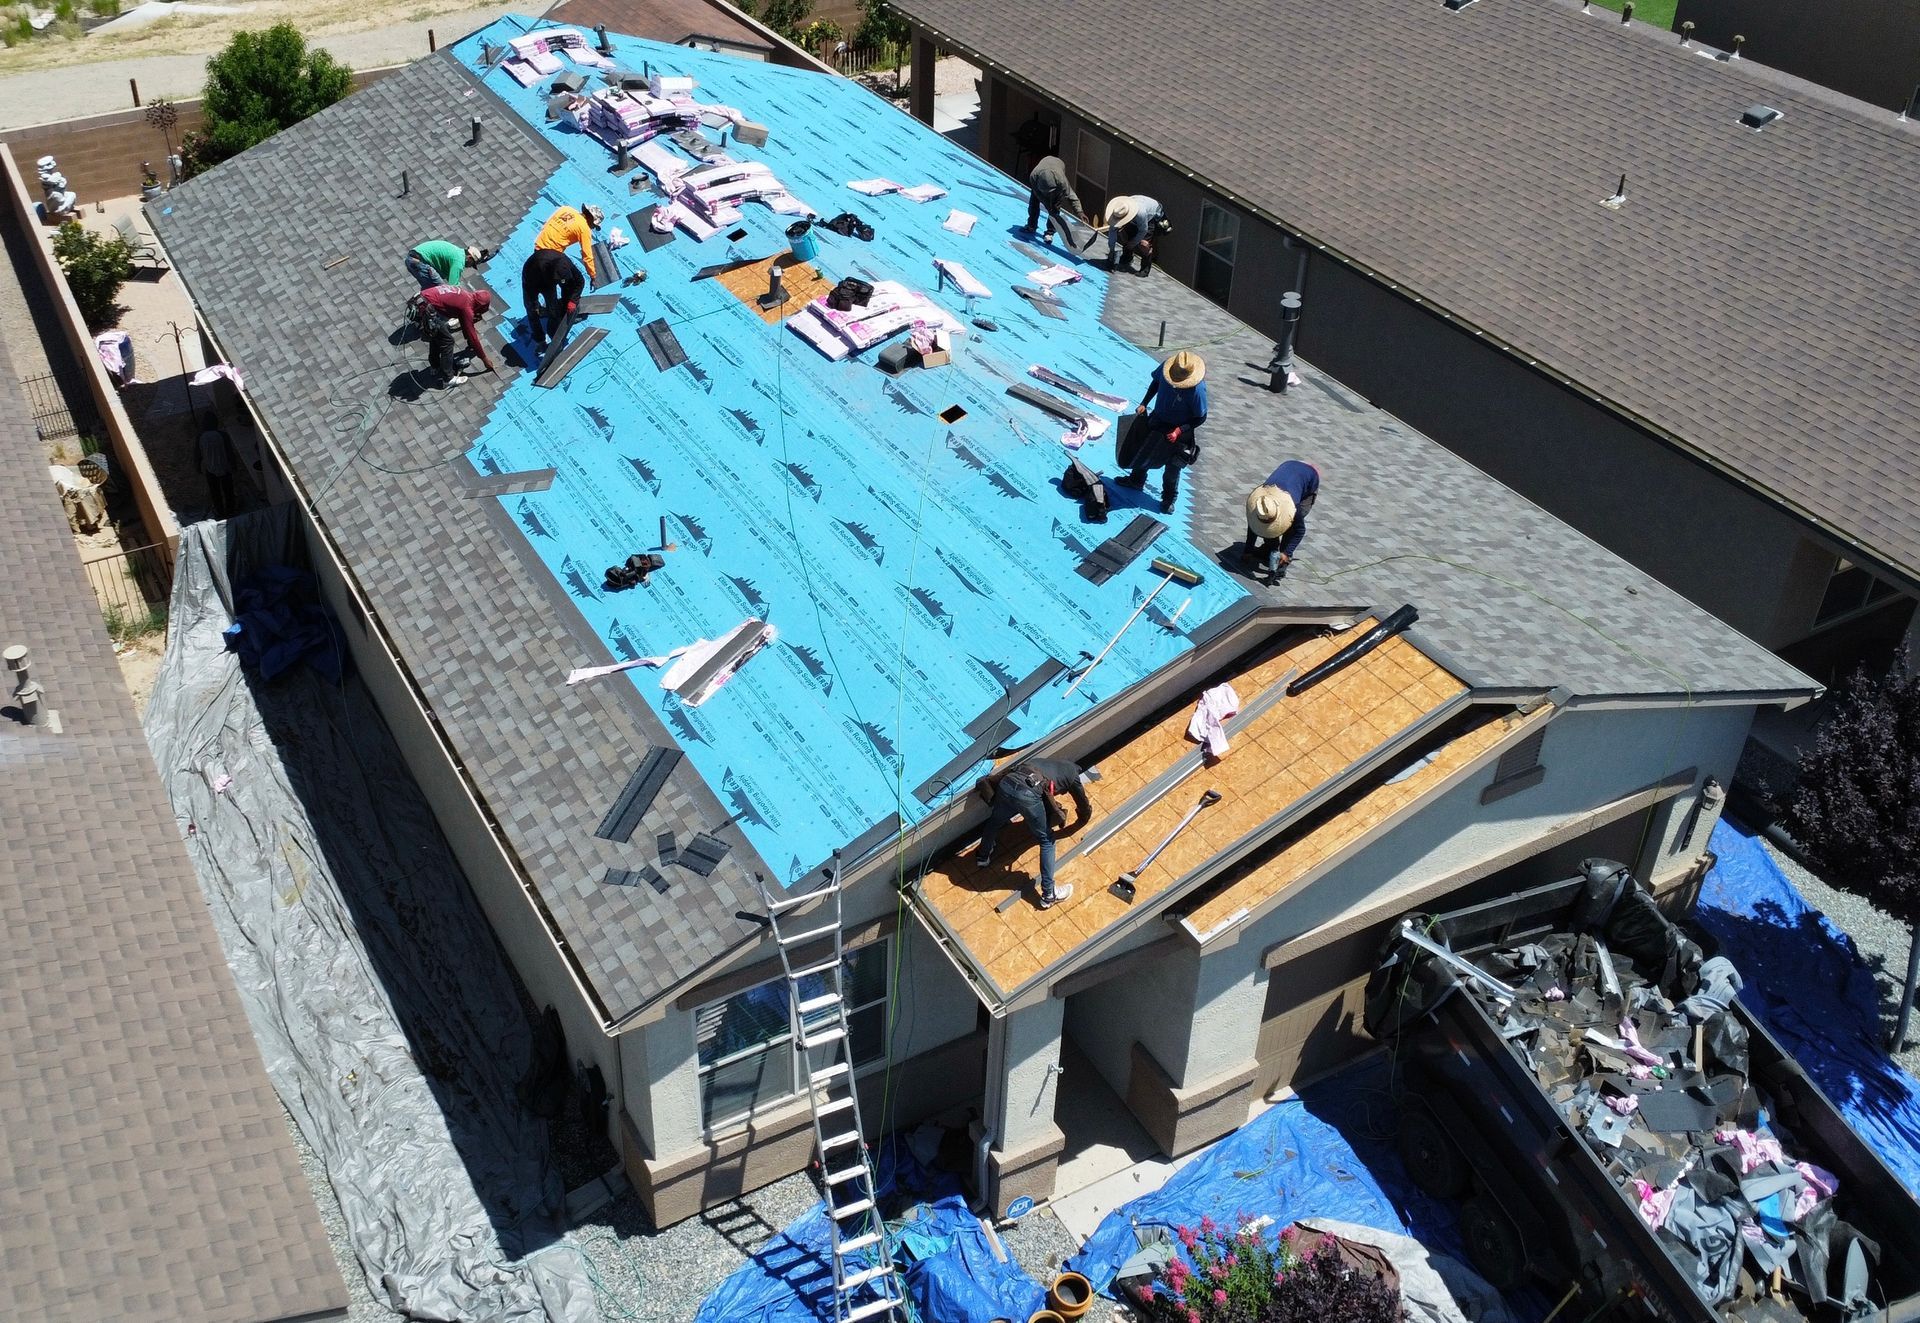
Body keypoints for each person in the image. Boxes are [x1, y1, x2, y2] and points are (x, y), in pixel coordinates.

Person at [973, 759, 1101, 909]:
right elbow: (1082, 803)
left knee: (995, 820)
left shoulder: (1046, 763)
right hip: (1027, 794)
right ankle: (1049, 894)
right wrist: (1085, 816)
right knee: (1047, 840)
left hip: (1007, 784)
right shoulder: (1073, 776)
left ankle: (983, 856)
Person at [1116, 350, 1208, 514]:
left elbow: (1200, 417)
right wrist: (1145, 402)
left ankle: (1168, 499)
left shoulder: (1197, 390)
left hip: (1179, 431)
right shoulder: (1167, 368)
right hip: (1158, 419)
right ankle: (1136, 481)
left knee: (1173, 467)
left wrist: (1179, 431)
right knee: (1143, 451)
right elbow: (1156, 383)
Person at [1242, 460, 1320, 582]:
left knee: (1291, 526)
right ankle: (1268, 549)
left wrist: (1286, 552)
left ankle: (1282, 565)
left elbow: (1300, 531)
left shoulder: (1294, 507)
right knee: (1266, 524)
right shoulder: (1261, 503)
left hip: (1309, 478)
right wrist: (1248, 550)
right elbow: (1254, 526)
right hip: (1288, 468)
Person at [418, 285, 495, 386]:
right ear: (479, 305)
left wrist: (470, 341)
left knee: (437, 335)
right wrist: (484, 359)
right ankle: (448, 378)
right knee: (447, 341)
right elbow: (473, 337)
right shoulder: (466, 308)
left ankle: (435, 366)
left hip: (420, 300)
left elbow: (465, 326)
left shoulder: (465, 295)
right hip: (426, 310)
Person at [520, 248, 585, 355]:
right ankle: (540, 340)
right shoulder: (534, 269)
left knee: (553, 307)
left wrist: (573, 300)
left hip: (549, 279)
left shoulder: (566, 262)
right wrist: (535, 305)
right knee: (532, 310)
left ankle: (554, 332)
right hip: (532, 279)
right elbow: (531, 293)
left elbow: (580, 281)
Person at [1089, 194, 1166, 273]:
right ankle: (1127, 258)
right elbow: (1112, 231)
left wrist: (1132, 243)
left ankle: (1145, 269)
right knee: (1124, 234)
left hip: (1152, 215)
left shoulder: (1141, 214)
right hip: (1138, 208)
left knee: (1143, 243)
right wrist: (1111, 250)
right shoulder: (1117, 211)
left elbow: (1143, 231)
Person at [1022, 155, 1086, 249]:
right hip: (1043, 170)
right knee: (1034, 203)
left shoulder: (1061, 181)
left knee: (1055, 208)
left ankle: (1050, 232)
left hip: (1058, 166)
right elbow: (1039, 195)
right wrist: (1048, 205)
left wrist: (1080, 212)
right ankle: (1031, 225)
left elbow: (1071, 195)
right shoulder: (1034, 176)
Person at [535, 203, 603, 283]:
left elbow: (546, 223)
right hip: (551, 256)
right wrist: (593, 276)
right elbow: (587, 256)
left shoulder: (566, 209)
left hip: (538, 245)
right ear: (591, 220)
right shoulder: (584, 229)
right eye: (594, 225)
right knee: (577, 282)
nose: (593, 227)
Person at [197, 414, 237, 518]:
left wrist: (197, 467)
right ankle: (231, 510)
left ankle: (220, 511)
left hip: (210, 469)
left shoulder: (201, 437)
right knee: (228, 491)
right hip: (225, 468)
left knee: (215, 493)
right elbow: (229, 452)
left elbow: (197, 454)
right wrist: (234, 465)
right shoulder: (223, 435)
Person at [405, 239, 485, 289]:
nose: (470, 266)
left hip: (412, 259)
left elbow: (449, 277)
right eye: (472, 264)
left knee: (430, 291)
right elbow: (453, 287)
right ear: (469, 257)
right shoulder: (459, 261)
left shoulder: (456, 252)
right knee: (441, 292)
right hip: (419, 262)